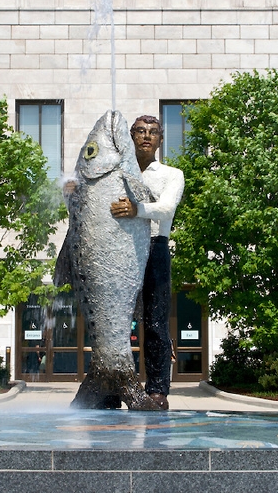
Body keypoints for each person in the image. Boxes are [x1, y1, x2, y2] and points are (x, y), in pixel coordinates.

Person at [110, 115, 184, 410]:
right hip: (121, 250)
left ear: (160, 139)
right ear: (132, 137)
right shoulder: (116, 174)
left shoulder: (171, 174)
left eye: (153, 132)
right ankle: (112, 386)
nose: (146, 136)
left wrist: (136, 209)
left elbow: (166, 209)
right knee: (115, 323)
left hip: (155, 248)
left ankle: (157, 389)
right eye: (140, 131)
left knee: (155, 321)